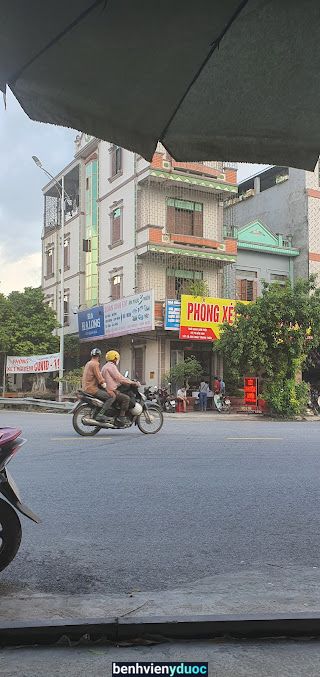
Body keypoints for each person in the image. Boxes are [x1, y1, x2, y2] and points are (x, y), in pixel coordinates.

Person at [101, 350, 140, 426]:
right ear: (115, 358)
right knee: (126, 398)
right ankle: (121, 417)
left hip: (107, 389)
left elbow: (115, 379)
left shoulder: (105, 366)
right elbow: (119, 378)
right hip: (112, 390)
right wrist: (132, 382)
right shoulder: (111, 366)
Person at [81, 348, 114, 423]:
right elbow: (99, 378)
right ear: (99, 356)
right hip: (92, 389)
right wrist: (106, 386)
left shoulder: (88, 363)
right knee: (111, 397)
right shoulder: (95, 364)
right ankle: (101, 414)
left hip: (86, 387)